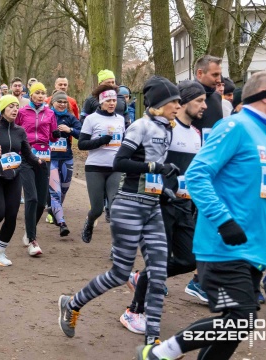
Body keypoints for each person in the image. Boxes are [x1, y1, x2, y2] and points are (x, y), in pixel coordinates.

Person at [136, 71, 266, 360]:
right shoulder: (235, 127)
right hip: (224, 248)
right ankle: (160, 352)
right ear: (265, 95)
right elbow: (199, 175)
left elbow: (255, 194)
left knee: (238, 325)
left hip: (252, 250)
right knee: (239, 320)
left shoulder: (263, 136)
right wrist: (224, 221)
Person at [59, 76, 182, 346]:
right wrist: (155, 169)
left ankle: (152, 344)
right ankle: (72, 303)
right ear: (160, 103)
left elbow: (154, 167)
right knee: (119, 273)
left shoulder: (168, 129)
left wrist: (164, 190)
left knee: (158, 272)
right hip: (128, 204)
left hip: (151, 204)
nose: (178, 106)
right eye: (174, 101)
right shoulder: (140, 126)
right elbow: (121, 161)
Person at [120, 80, 204, 337]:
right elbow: (149, 164)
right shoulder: (166, 129)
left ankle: (139, 278)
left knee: (188, 259)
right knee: (158, 262)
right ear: (182, 103)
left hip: (185, 205)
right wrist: (159, 193)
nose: (203, 105)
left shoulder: (197, 133)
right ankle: (134, 311)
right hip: (161, 203)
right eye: (198, 100)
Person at [0, 95, 40, 266]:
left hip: (14, 177)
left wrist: (38, 161)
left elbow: (27, 153)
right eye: (10, 106)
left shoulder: (20, 131)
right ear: (2, 110)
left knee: (11, 216)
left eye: (16, 106)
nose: (15, 109)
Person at [77, 84, 125, 243]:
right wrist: (101, 141)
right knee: (97, 209)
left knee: (115, 207)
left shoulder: (121, 119)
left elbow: (123, 143)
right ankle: (90, 222)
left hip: (115, 168)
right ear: (100, 101)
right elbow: (82, 144)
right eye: (109, 100)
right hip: (95, 168)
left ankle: (115, 246)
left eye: (114, 100)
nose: (112, 103)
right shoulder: (91, 119)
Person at [16, 81, 59, 256]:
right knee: (31, 198)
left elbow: (53, 137)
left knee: (41, 201)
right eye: (37, 93)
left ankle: (29, 229)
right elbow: (16, 130)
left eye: (43, 93)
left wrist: (56, 135)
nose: (40, 95)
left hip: (44, 157)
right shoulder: (21, 112)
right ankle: (33, 240)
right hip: (26, 156)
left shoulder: (50, 113)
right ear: (30, 94)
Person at [48, 91, 81, 237]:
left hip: (67, 158)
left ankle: (54, 209)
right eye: (59, 102)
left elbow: (82, 134)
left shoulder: (70, 117)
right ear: (53, 102)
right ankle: (62, 222)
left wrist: (70, 130)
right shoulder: (48, 115)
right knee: (55, 192)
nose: (61, 104)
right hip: (51, 159)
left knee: (64, 189)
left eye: (64, 102)